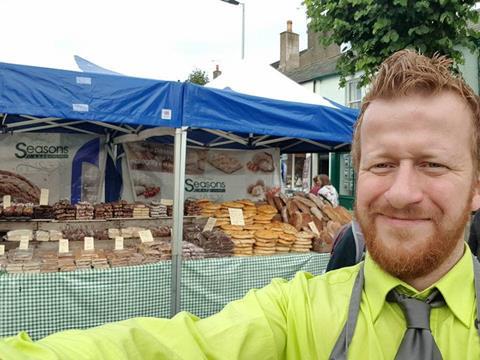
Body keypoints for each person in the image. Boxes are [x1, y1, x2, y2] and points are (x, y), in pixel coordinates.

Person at [2, 49, 480, 359]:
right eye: (380, 165)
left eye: (433, 165)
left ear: (476, 186)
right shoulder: (293, 312)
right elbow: (155, 348)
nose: (401, 191)